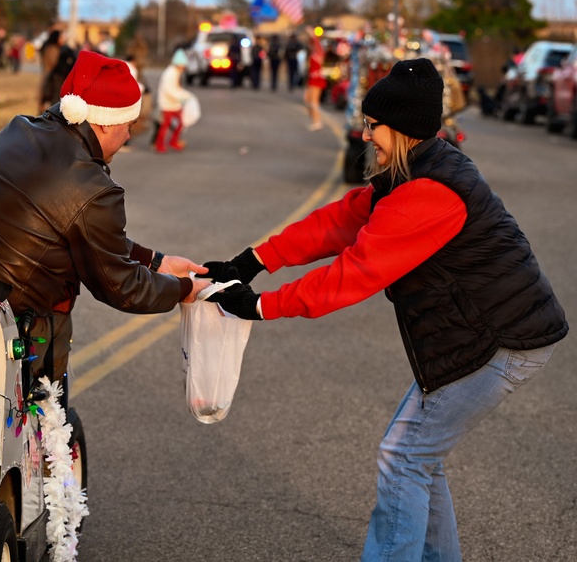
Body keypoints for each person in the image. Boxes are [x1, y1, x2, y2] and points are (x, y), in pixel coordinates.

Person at [203, 58, 567, 562]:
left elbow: (355, 273)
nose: (366, 134)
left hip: (500, 341)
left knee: (405, 457)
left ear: (400, 128)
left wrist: (261, 306)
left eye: (373, 126)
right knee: (419, 458)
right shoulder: (414, 169)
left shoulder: (430, 192)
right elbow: (340, 221)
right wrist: (253, 261)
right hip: (484, 333)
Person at [0, 50, 208, 400]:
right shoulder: (92, 187)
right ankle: (49, 437)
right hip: (16, 319)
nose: (128, 136)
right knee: (50, 415)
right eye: (128, 125)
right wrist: (183, 289)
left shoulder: (19, 128)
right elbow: (121, 287)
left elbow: (76, 231)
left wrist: (155, 261)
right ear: (106, 121)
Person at [154, 49, 195, 152]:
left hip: (174, 103)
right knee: (166, 125)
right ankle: (160, 144)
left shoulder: (175, 72)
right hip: (167, 103)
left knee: (180, 123)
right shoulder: (170, 73)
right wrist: (181, 97)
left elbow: (176, 88)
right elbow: (169, 89)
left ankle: (173, 141)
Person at [39, 29, 76, 112]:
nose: (63, 39)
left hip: (51, 80)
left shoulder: (51, 48)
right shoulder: (53, 50)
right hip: (53, 81)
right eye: (61, 37)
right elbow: (53, 65)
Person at [304, 27, 326, 130]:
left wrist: (312, 34)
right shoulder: (313, 52)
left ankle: (317, 121)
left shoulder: (319, 51)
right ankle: (314, 120)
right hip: (311, 78)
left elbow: (316, 42)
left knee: (314, 101)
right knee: (307, 100)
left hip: (317, 79)